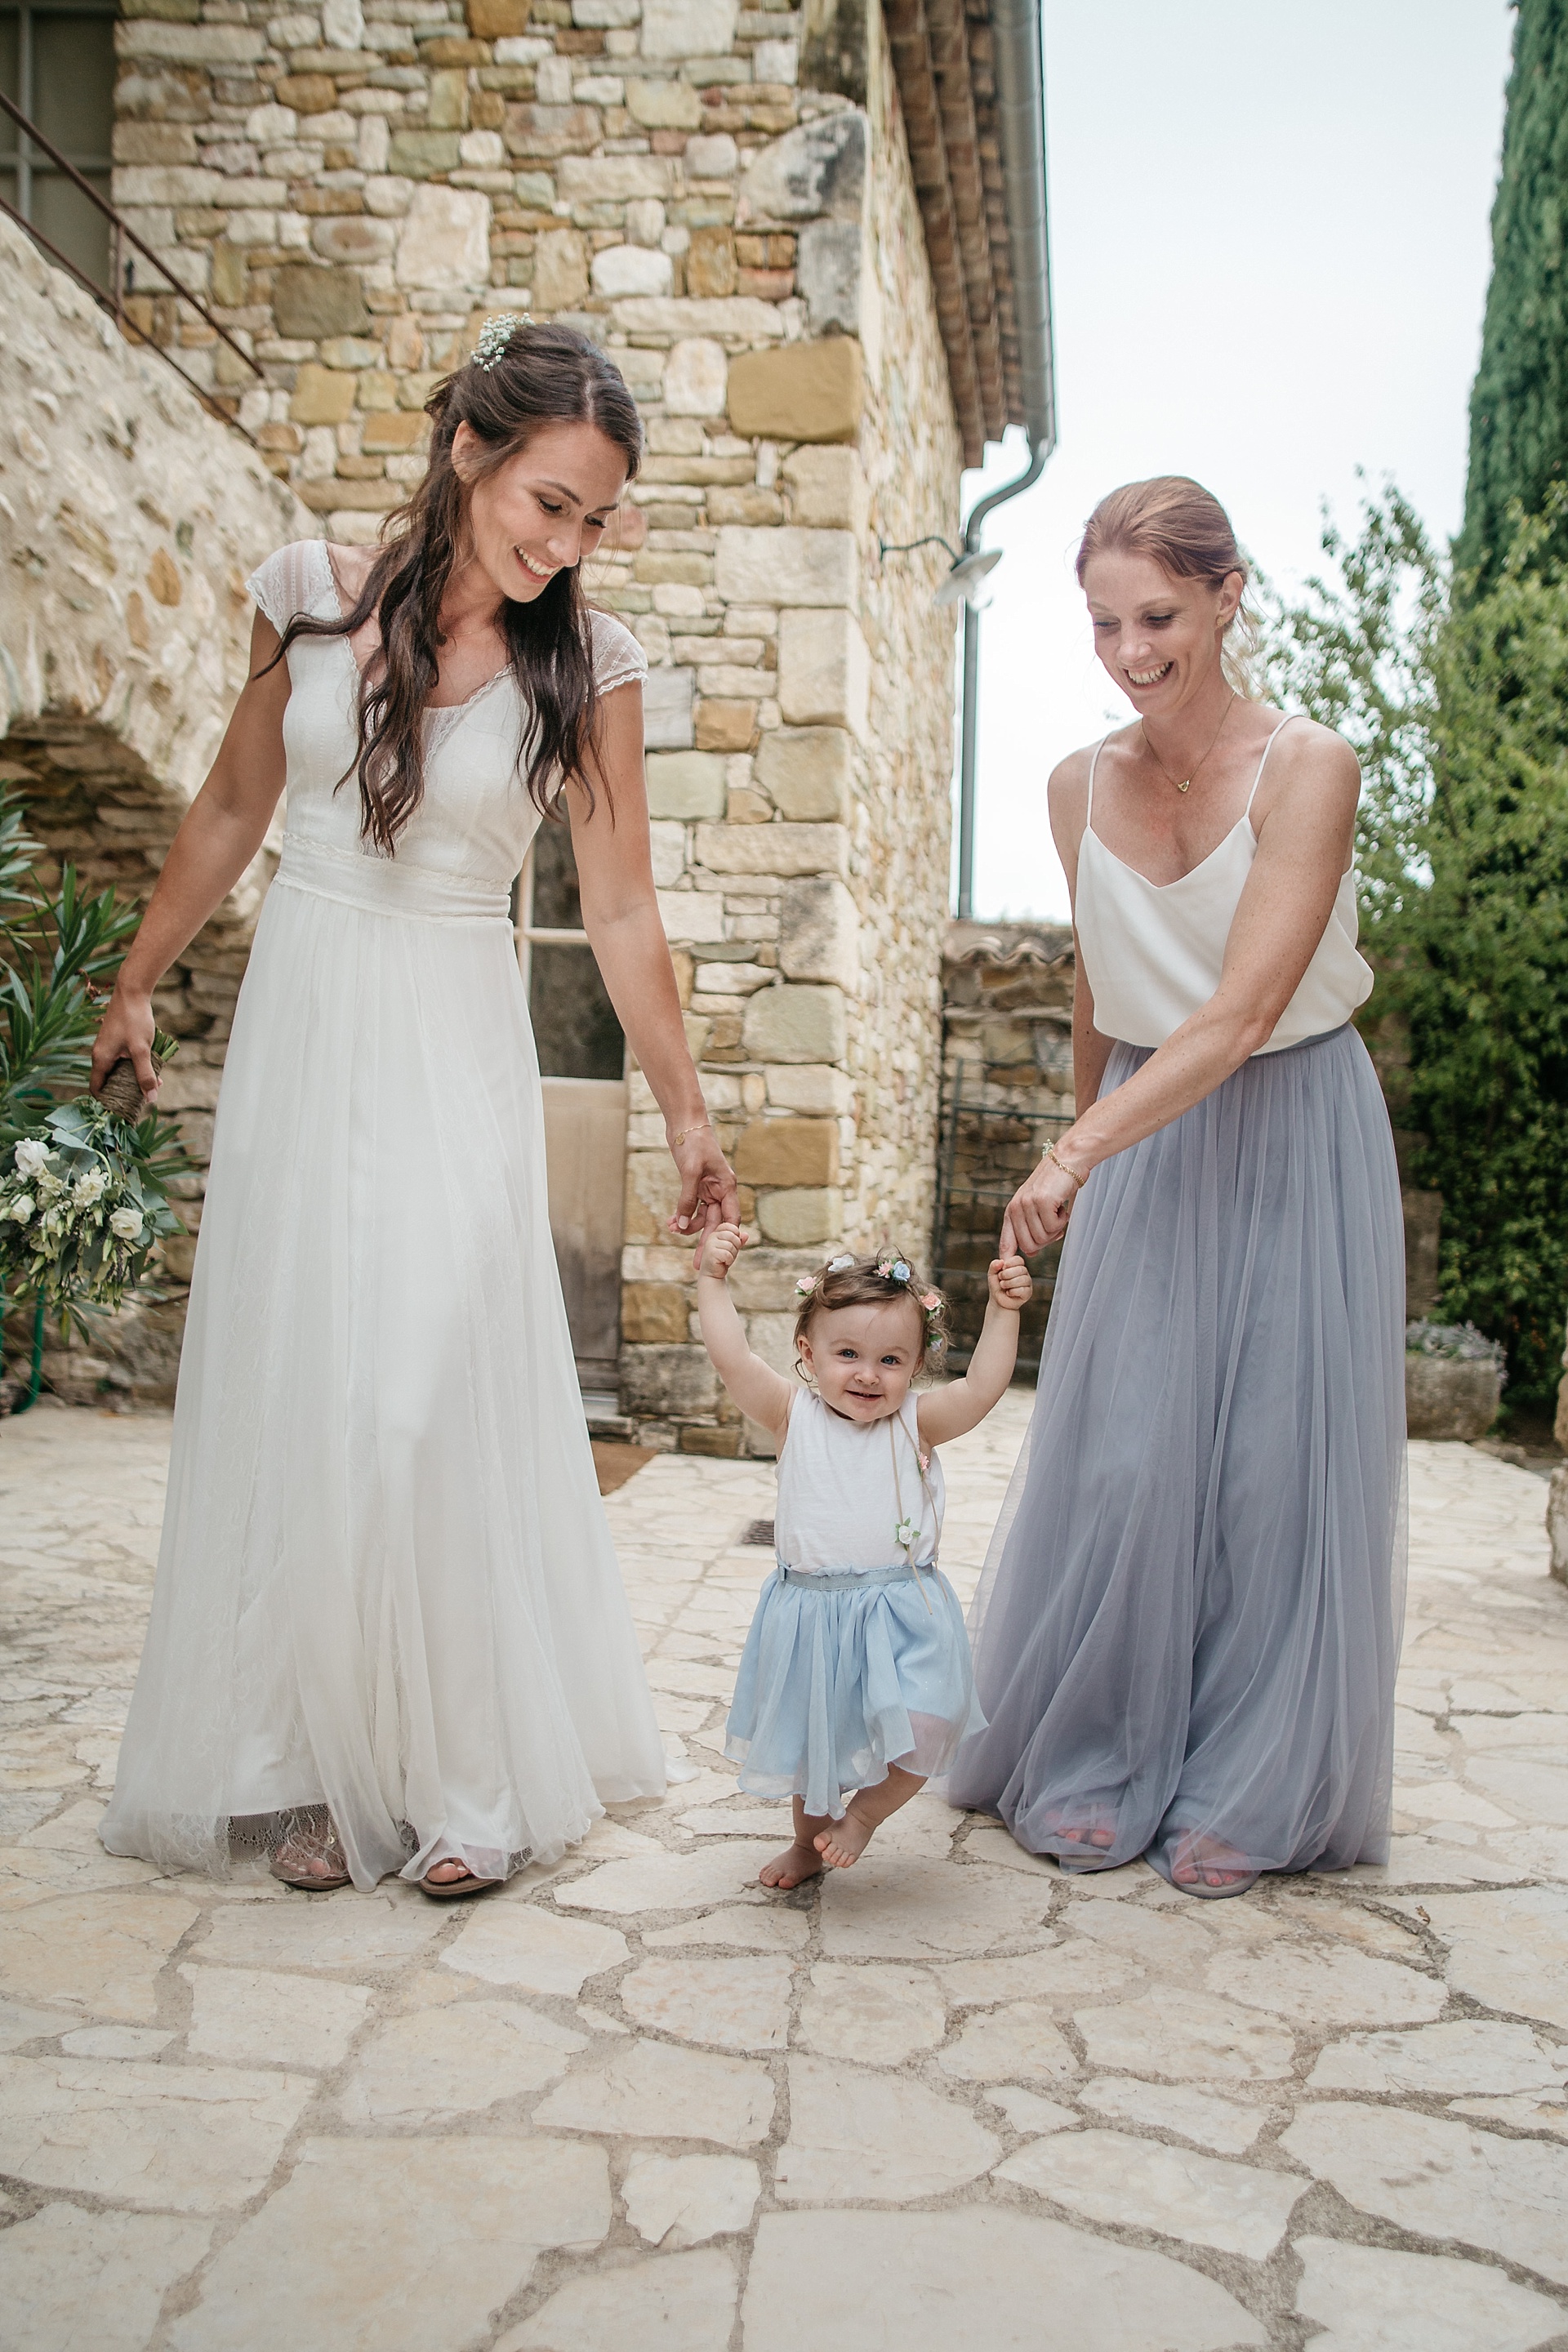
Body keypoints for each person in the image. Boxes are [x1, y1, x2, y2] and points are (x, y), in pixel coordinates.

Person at [96, 316, 737, 1898]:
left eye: (595, 518)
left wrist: (691, 1113)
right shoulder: (309, 594)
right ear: (472, 453)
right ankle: (305, 1768)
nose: (569, 543)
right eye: (550, 503)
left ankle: (459, 1777)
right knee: (305, 1381)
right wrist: (131, 981)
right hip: (307, 1015)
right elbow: (239, 800)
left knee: (422, 1399)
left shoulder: (589, 666)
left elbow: (627, 909)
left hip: (454, 1037)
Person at [948, 475, 1405, 1899]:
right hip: (1146, 1130)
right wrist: (1087, 1135)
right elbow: (1106, 981)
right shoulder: (1077, 783)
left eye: (1158, 615)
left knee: (1273, 1469)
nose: (1132, 648)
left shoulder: (1309, 766)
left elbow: (1241, 1011)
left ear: (1225, 598)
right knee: (1129, 1456)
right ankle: (1093, 1748)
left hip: (1293, 1124)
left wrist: (1081, 1144)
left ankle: (1249, 1779)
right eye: (1102, 622)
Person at [697, 1232, 1033, 1887]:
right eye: (847, 1354)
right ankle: (806, 1844)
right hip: (812, 1616)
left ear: (915, 1366)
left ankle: (864, 1818)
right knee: (812, 1747)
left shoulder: (918, 1422)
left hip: (904, 1608)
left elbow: (985, 1387)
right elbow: (731, 1356)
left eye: (889, 1359)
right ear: (808, 1353)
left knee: (929, 1724)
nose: (867, 1374)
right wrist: (712, 1281)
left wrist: (1004, 1309)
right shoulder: (790, 1414)